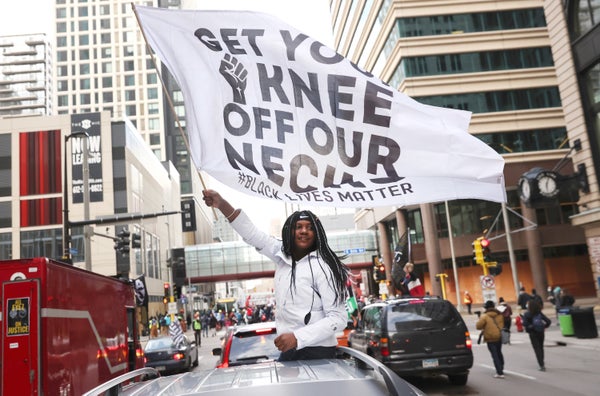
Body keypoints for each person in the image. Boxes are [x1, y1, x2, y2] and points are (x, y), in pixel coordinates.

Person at [202, 189, 349, 361]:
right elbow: (252, 234)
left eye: (310, 228)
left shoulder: (324, 267)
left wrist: (297, 338)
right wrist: (221, 204)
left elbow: (338, 319)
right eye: (298, 227)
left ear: (317, 235)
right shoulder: (281, 256)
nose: (304, 231)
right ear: (289, 231)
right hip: (290, 349)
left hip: (318, 351)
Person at [476, 300, 506, 378]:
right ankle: (501, 366)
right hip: (499, 336)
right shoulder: (499, 315)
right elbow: (502, 324)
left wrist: (479, 319)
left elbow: (478, 326)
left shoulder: (484, 316)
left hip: (490, 337)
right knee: (499, 352)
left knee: (494, 354)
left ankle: (499, 372)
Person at [522, 299, 551, 371]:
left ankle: (541, 365)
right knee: (541, 347)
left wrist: (529, 325)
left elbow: (525, 324)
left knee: (536, 348)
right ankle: (542, 362)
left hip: (532, 333)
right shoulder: (539, 313)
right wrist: (544, 326)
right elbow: (548, 321)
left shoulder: (527, 314)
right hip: (540, 331)